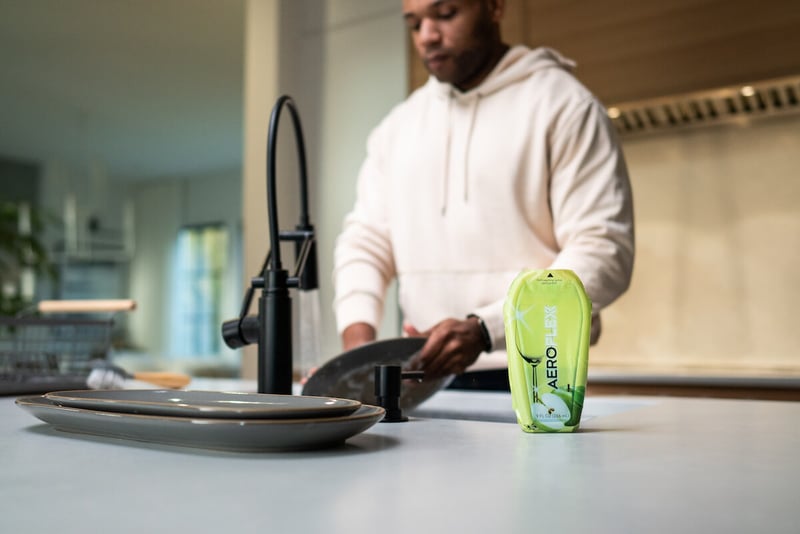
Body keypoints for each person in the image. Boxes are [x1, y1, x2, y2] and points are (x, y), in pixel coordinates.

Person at [332, 0, 634, 383]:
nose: (428, 36)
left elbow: (604, 249)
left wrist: (488, 329)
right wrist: (358, 349)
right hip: (423, 378)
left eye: (445, 14)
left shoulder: (564, 105)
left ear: (494, 7)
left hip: (540, 372)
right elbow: (365, 242)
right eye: (414, 23)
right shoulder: (398, 128)